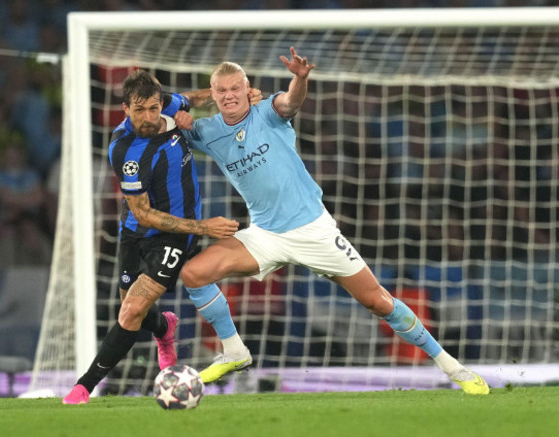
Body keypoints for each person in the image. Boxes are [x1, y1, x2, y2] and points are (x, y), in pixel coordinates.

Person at [178, 47, 489, 395]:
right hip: (265, 234)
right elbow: (157, 111)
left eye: (236, 88)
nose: (229, 95)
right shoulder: (204, 132)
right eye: (221, 91)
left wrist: (300, 77)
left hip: (313, 229)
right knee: (193, 273)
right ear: (212, 95)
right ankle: (234, 351)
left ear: (248, 87)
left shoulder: (267, 111)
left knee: (377, 302)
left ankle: (453, 367)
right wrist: (181, 117)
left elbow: (290, 103)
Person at [62, 70, 240, 404]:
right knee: (132, 312)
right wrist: (206, 227)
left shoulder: (168, 105)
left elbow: (193, 97)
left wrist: (230, 98)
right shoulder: (126, 152)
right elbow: (143, 213)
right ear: (125, 108)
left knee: (130, 312)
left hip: (176, 234)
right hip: (137, 231)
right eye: (139, 110)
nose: (148, 117)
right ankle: (165, 329)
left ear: (161, 103)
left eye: (153, 108)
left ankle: (84, 386)